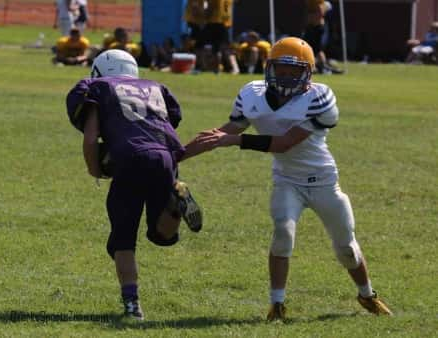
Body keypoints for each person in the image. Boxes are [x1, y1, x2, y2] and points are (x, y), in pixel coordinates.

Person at [196, 37, 393, 320]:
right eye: (281, 70)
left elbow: (284, 143)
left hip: (323, 181)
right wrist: (175, 156)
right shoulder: (252, 93)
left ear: (308, 73)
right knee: (283, 233)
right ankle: (277, 304)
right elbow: (220, 132)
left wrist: (235, 141)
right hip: (287, 180)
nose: (286, 77)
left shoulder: (319, 97)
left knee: (347, 247)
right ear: (269, 68)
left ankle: (367, 295)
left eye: (293, 71)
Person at [66, 50, 215, 320]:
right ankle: (176, 203)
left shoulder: (98, 88)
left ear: (100, 71)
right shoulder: (155, 86)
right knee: (162, 236)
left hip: (129, 157)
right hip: (165, 156)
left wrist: (95, 170)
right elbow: (167, 123)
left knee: (123, 239)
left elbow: (90, 139)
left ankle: (132, 305)